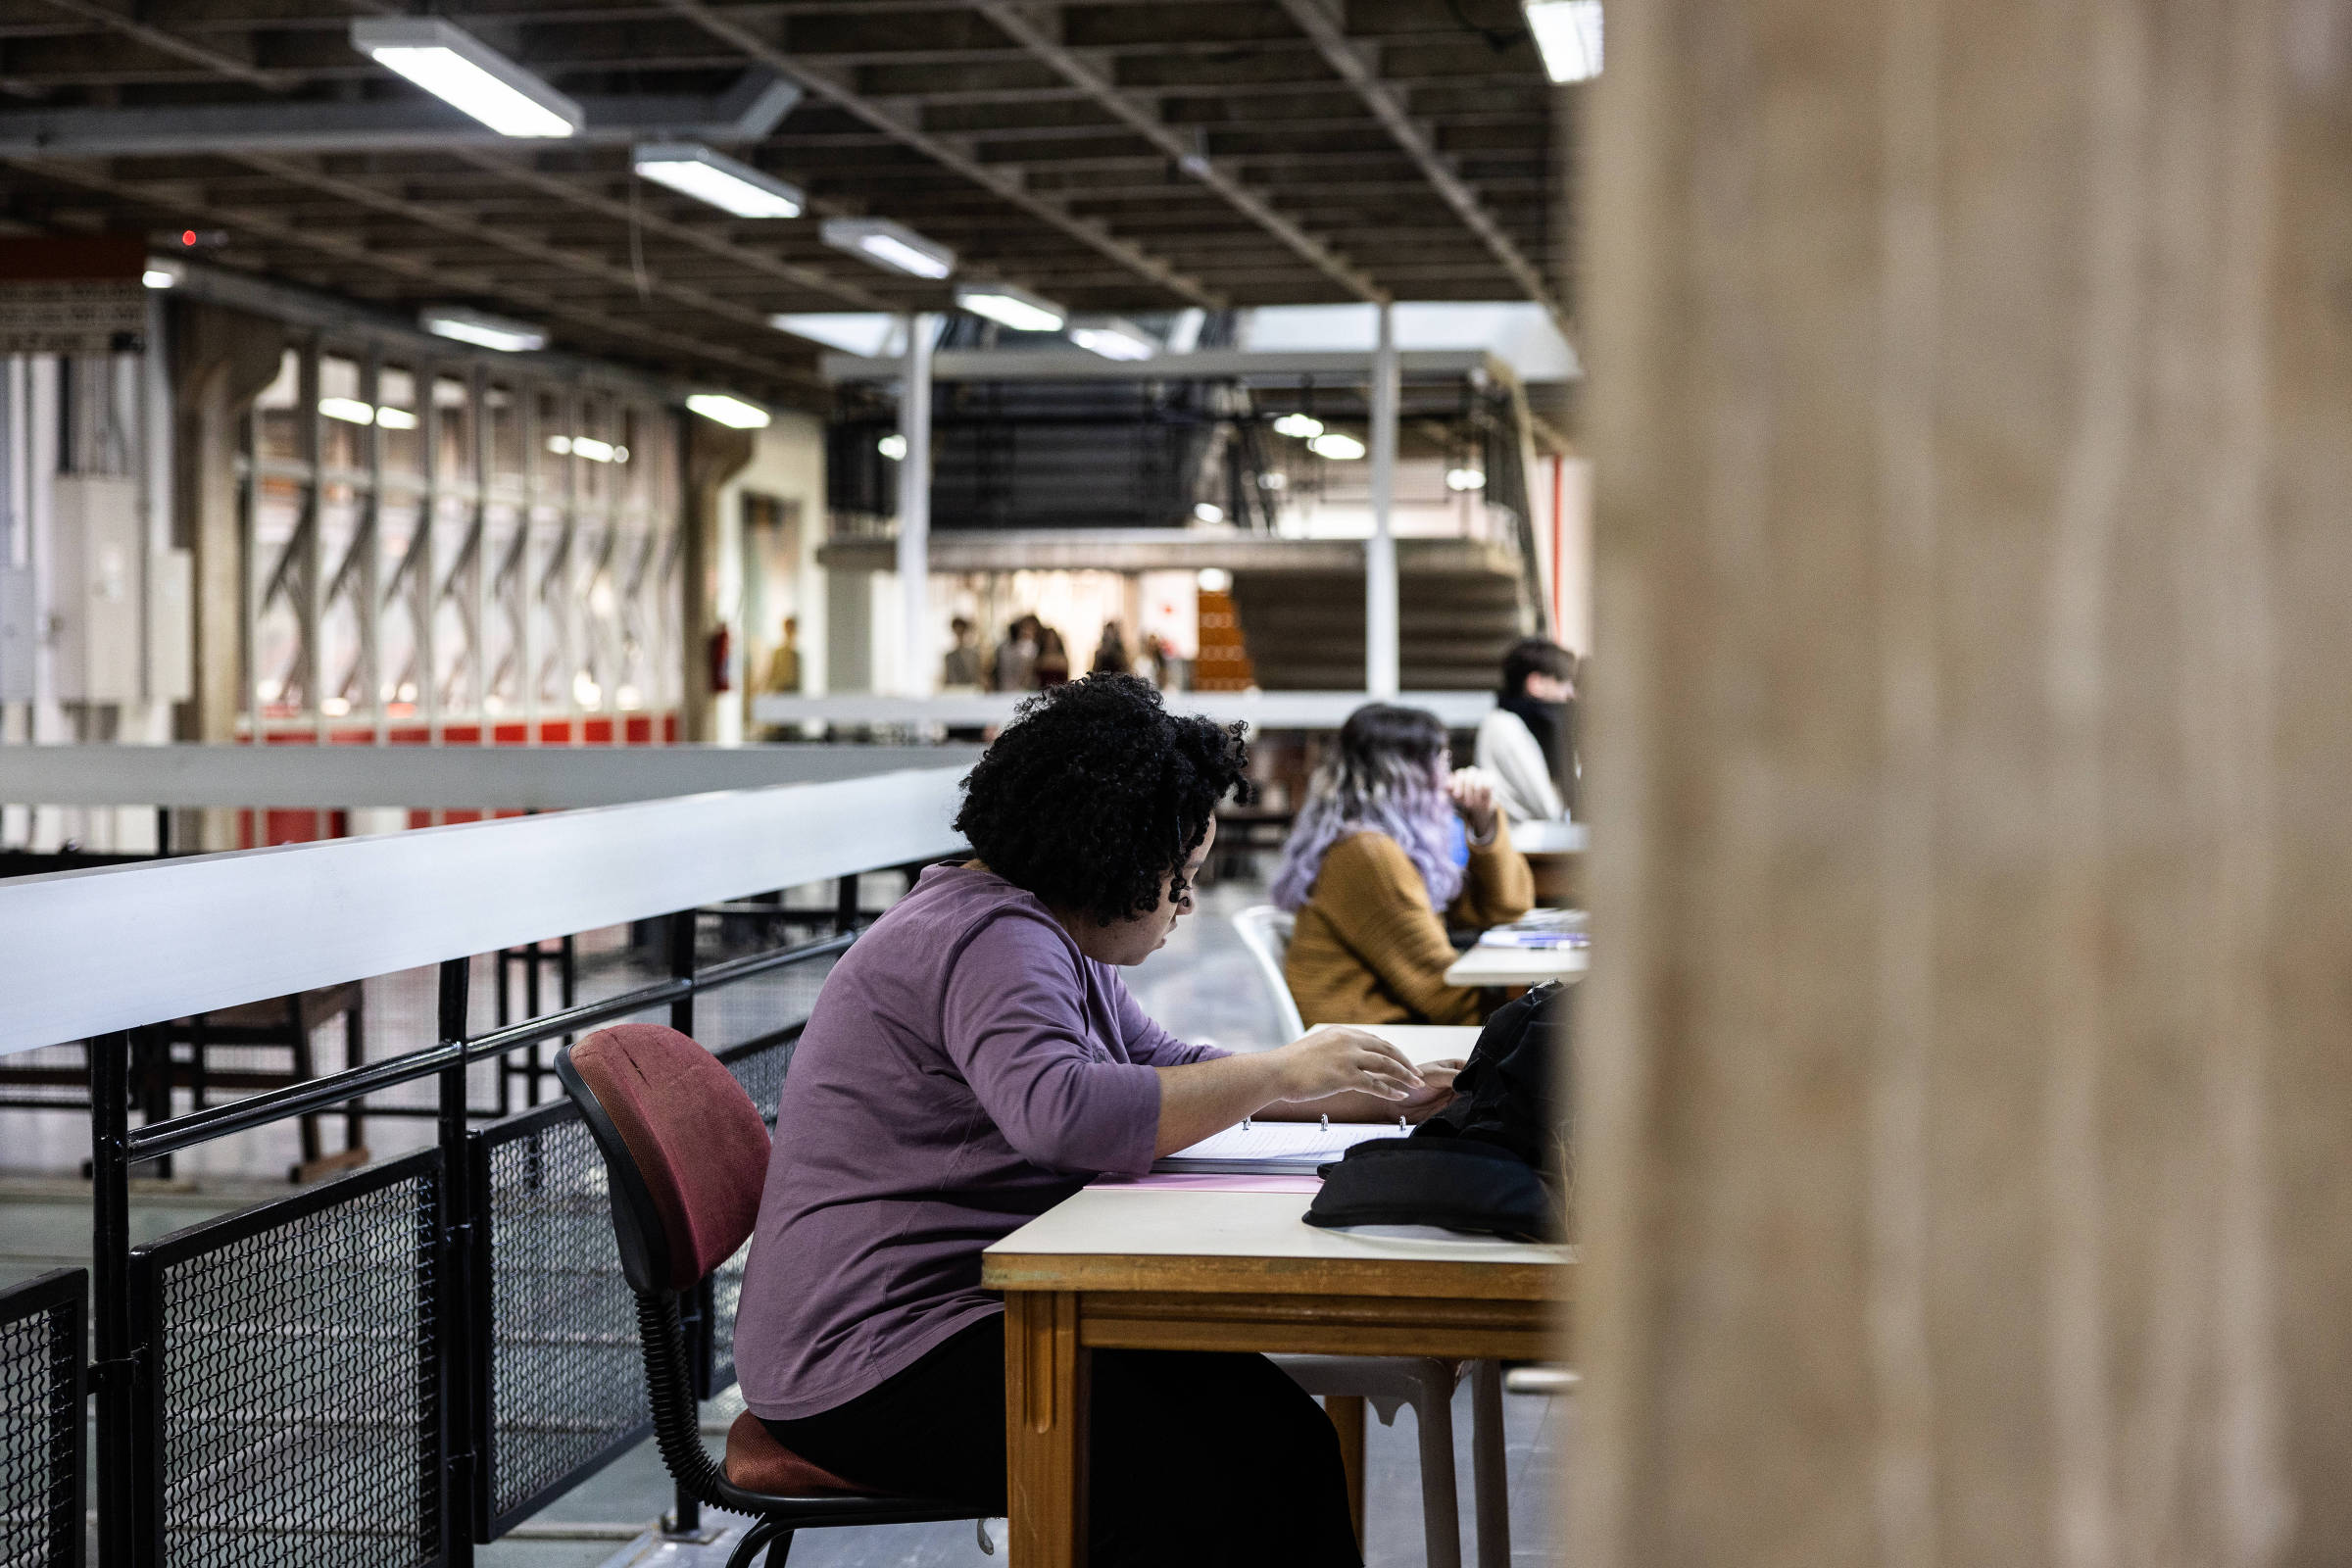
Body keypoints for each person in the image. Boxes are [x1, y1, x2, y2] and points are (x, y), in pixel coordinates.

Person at [735, 676, 1442, 1566]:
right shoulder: (994, 938)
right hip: (871, 1360)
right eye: (1179, 881)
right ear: (1111, 857)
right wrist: (1281, 1069)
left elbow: (1169, 1069)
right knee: (1240, 1466)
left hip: (926, 1321)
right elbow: (1063, 1114)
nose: (1184, 908)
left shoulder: (1040, 928)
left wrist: (1369, 1088)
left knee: (1272, 1441)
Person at [1273, 703, 1535, 1026]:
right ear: (1409, 777)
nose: (1448, 777)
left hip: (1385, 1030)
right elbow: (1441, 991)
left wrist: (1484, 818)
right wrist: (1525, 1020)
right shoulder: (1368, 853)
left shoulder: (1382, 845)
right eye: (1441, 761)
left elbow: (1504, 911)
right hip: (1372, 1043)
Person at [1475, 638, 1578, 821]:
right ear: (1536, 683)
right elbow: (1550, 809)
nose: (1570, 693)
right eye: (1562, 681)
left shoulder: (1523, 725)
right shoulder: (1504, 726)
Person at [991, 613, 1041, 692]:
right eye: (1025, 628)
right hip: (1003, 688)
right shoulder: (1004, 647)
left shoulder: (1031, 647)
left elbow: (1029, 672)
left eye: (1031, 628)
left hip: (1022, 690)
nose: (1027, 631)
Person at [759, 615, 802, 695]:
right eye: (788, 627)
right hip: (779, 692)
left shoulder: (796, 654)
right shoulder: (778, 653)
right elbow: (771, 673)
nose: (789, 630)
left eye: (791, 628)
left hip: (793, 692)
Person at [941, 614, 983, 689]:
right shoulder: (949, 657)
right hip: (955, 693)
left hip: (971, 692)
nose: (959, 634)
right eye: (957, 631)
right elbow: (947, 679)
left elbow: (977, 677)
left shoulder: (973, 655)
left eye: (961, 631)